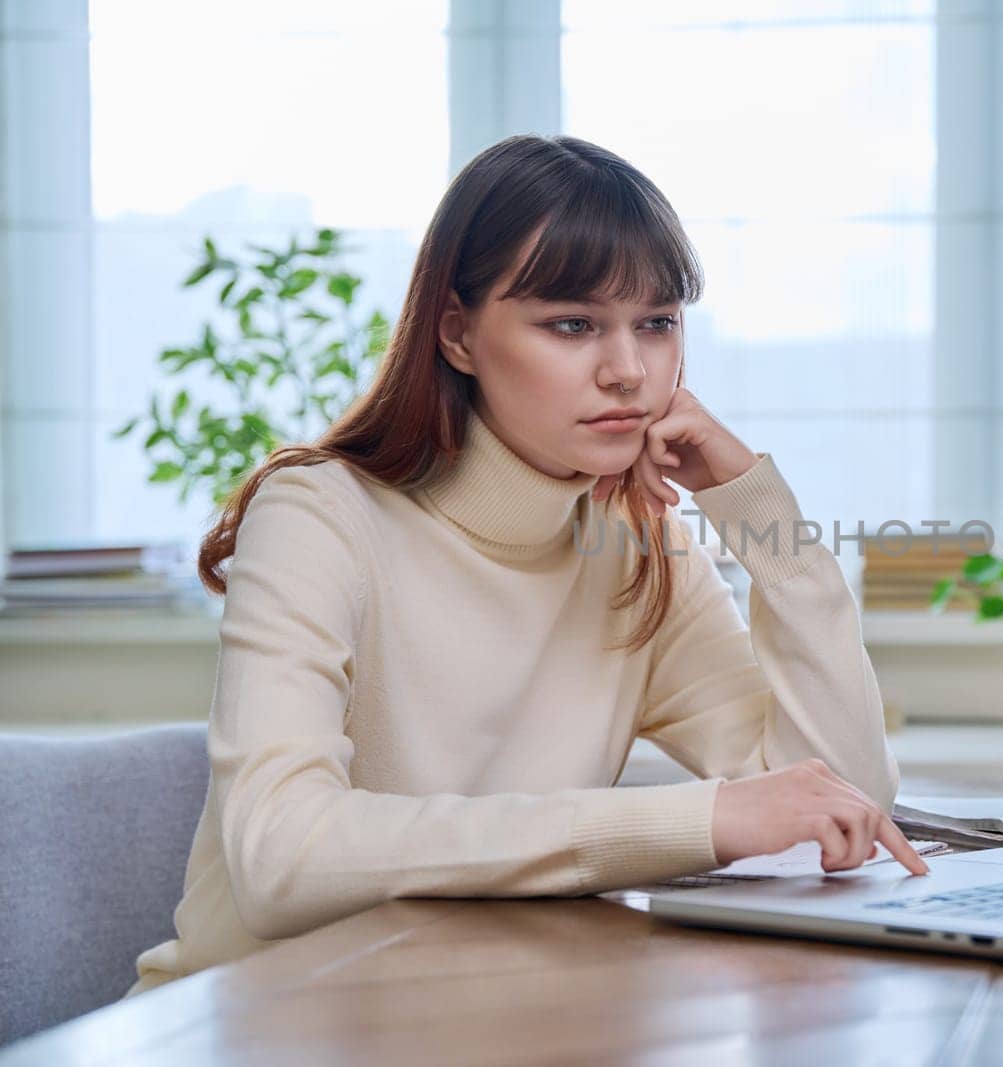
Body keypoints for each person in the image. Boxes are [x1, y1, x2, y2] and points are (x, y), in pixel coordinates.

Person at [122, 133, 925, 998]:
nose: (628, 370)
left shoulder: (635, 542)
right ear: (459, 334)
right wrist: (700, 819)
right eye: (572, 324)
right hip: (253, 1026)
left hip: (480, 1015)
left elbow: (837, 806)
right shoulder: (320, 516)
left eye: (656, 323)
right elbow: (284, 860)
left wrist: (764, 521)